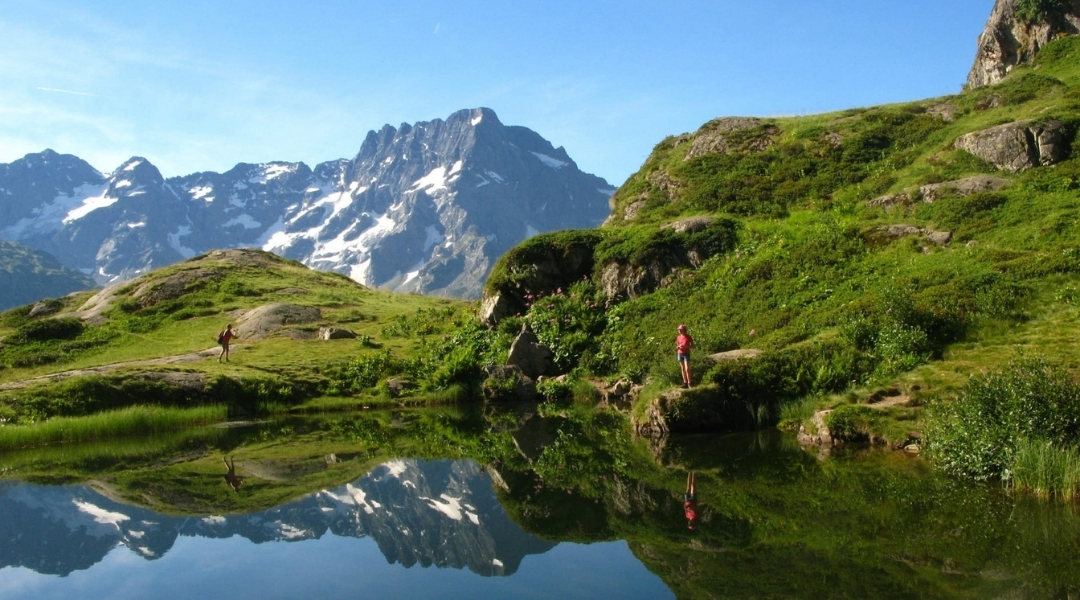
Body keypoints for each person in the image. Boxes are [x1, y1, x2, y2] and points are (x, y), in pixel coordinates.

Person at [676, 324, 693, 388]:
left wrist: (686, 346)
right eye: (679, 330)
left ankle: (690, 382)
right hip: (680, 353)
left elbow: (693, 346)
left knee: (687, 368)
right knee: (682, 368)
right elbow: (677, 346)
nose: (679, 331)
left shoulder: (688, 337)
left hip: (686, 353)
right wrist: (679, 347)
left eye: (680, 330)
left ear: (684, 330)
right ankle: (685, 382)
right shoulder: (678, 337)